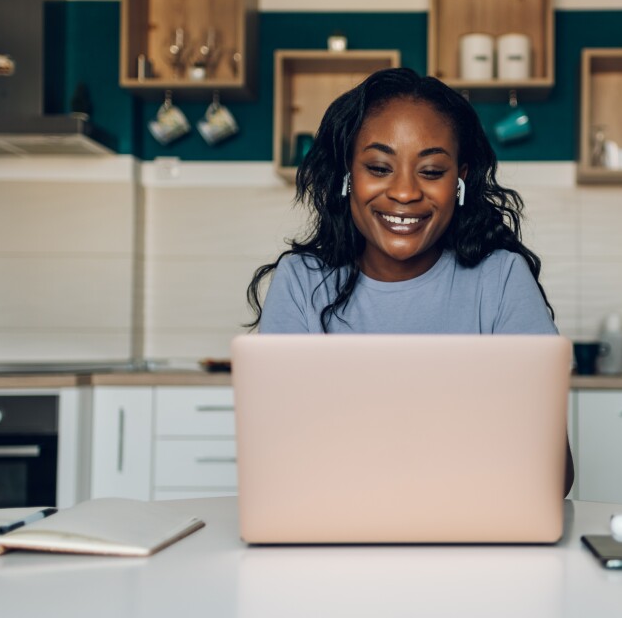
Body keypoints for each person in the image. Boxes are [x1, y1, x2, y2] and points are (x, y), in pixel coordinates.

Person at [245, 67, 573, 495]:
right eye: (379, 167)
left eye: (432, 171)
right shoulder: (302, 282)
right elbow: (278, 462)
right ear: (348, 175)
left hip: (472, 535)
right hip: (335, 536)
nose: (404, 193)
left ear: (460, 180)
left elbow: (554, 476)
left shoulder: (502, 280)